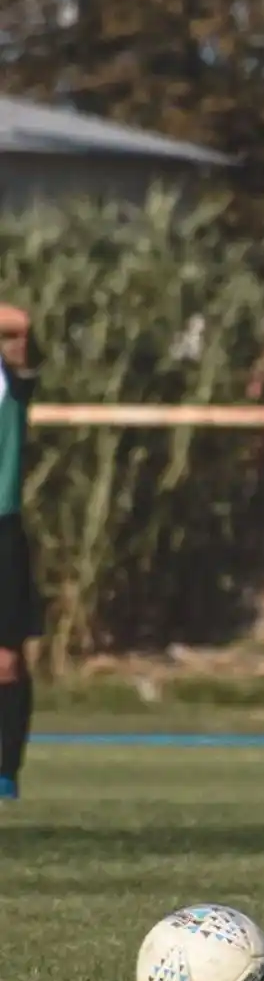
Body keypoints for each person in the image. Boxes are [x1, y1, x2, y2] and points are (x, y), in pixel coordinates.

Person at [0, 304, 40, 802]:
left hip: (0, 528)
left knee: (6, 662)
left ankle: (5, 770)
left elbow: (19, 321)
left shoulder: (10, 369)